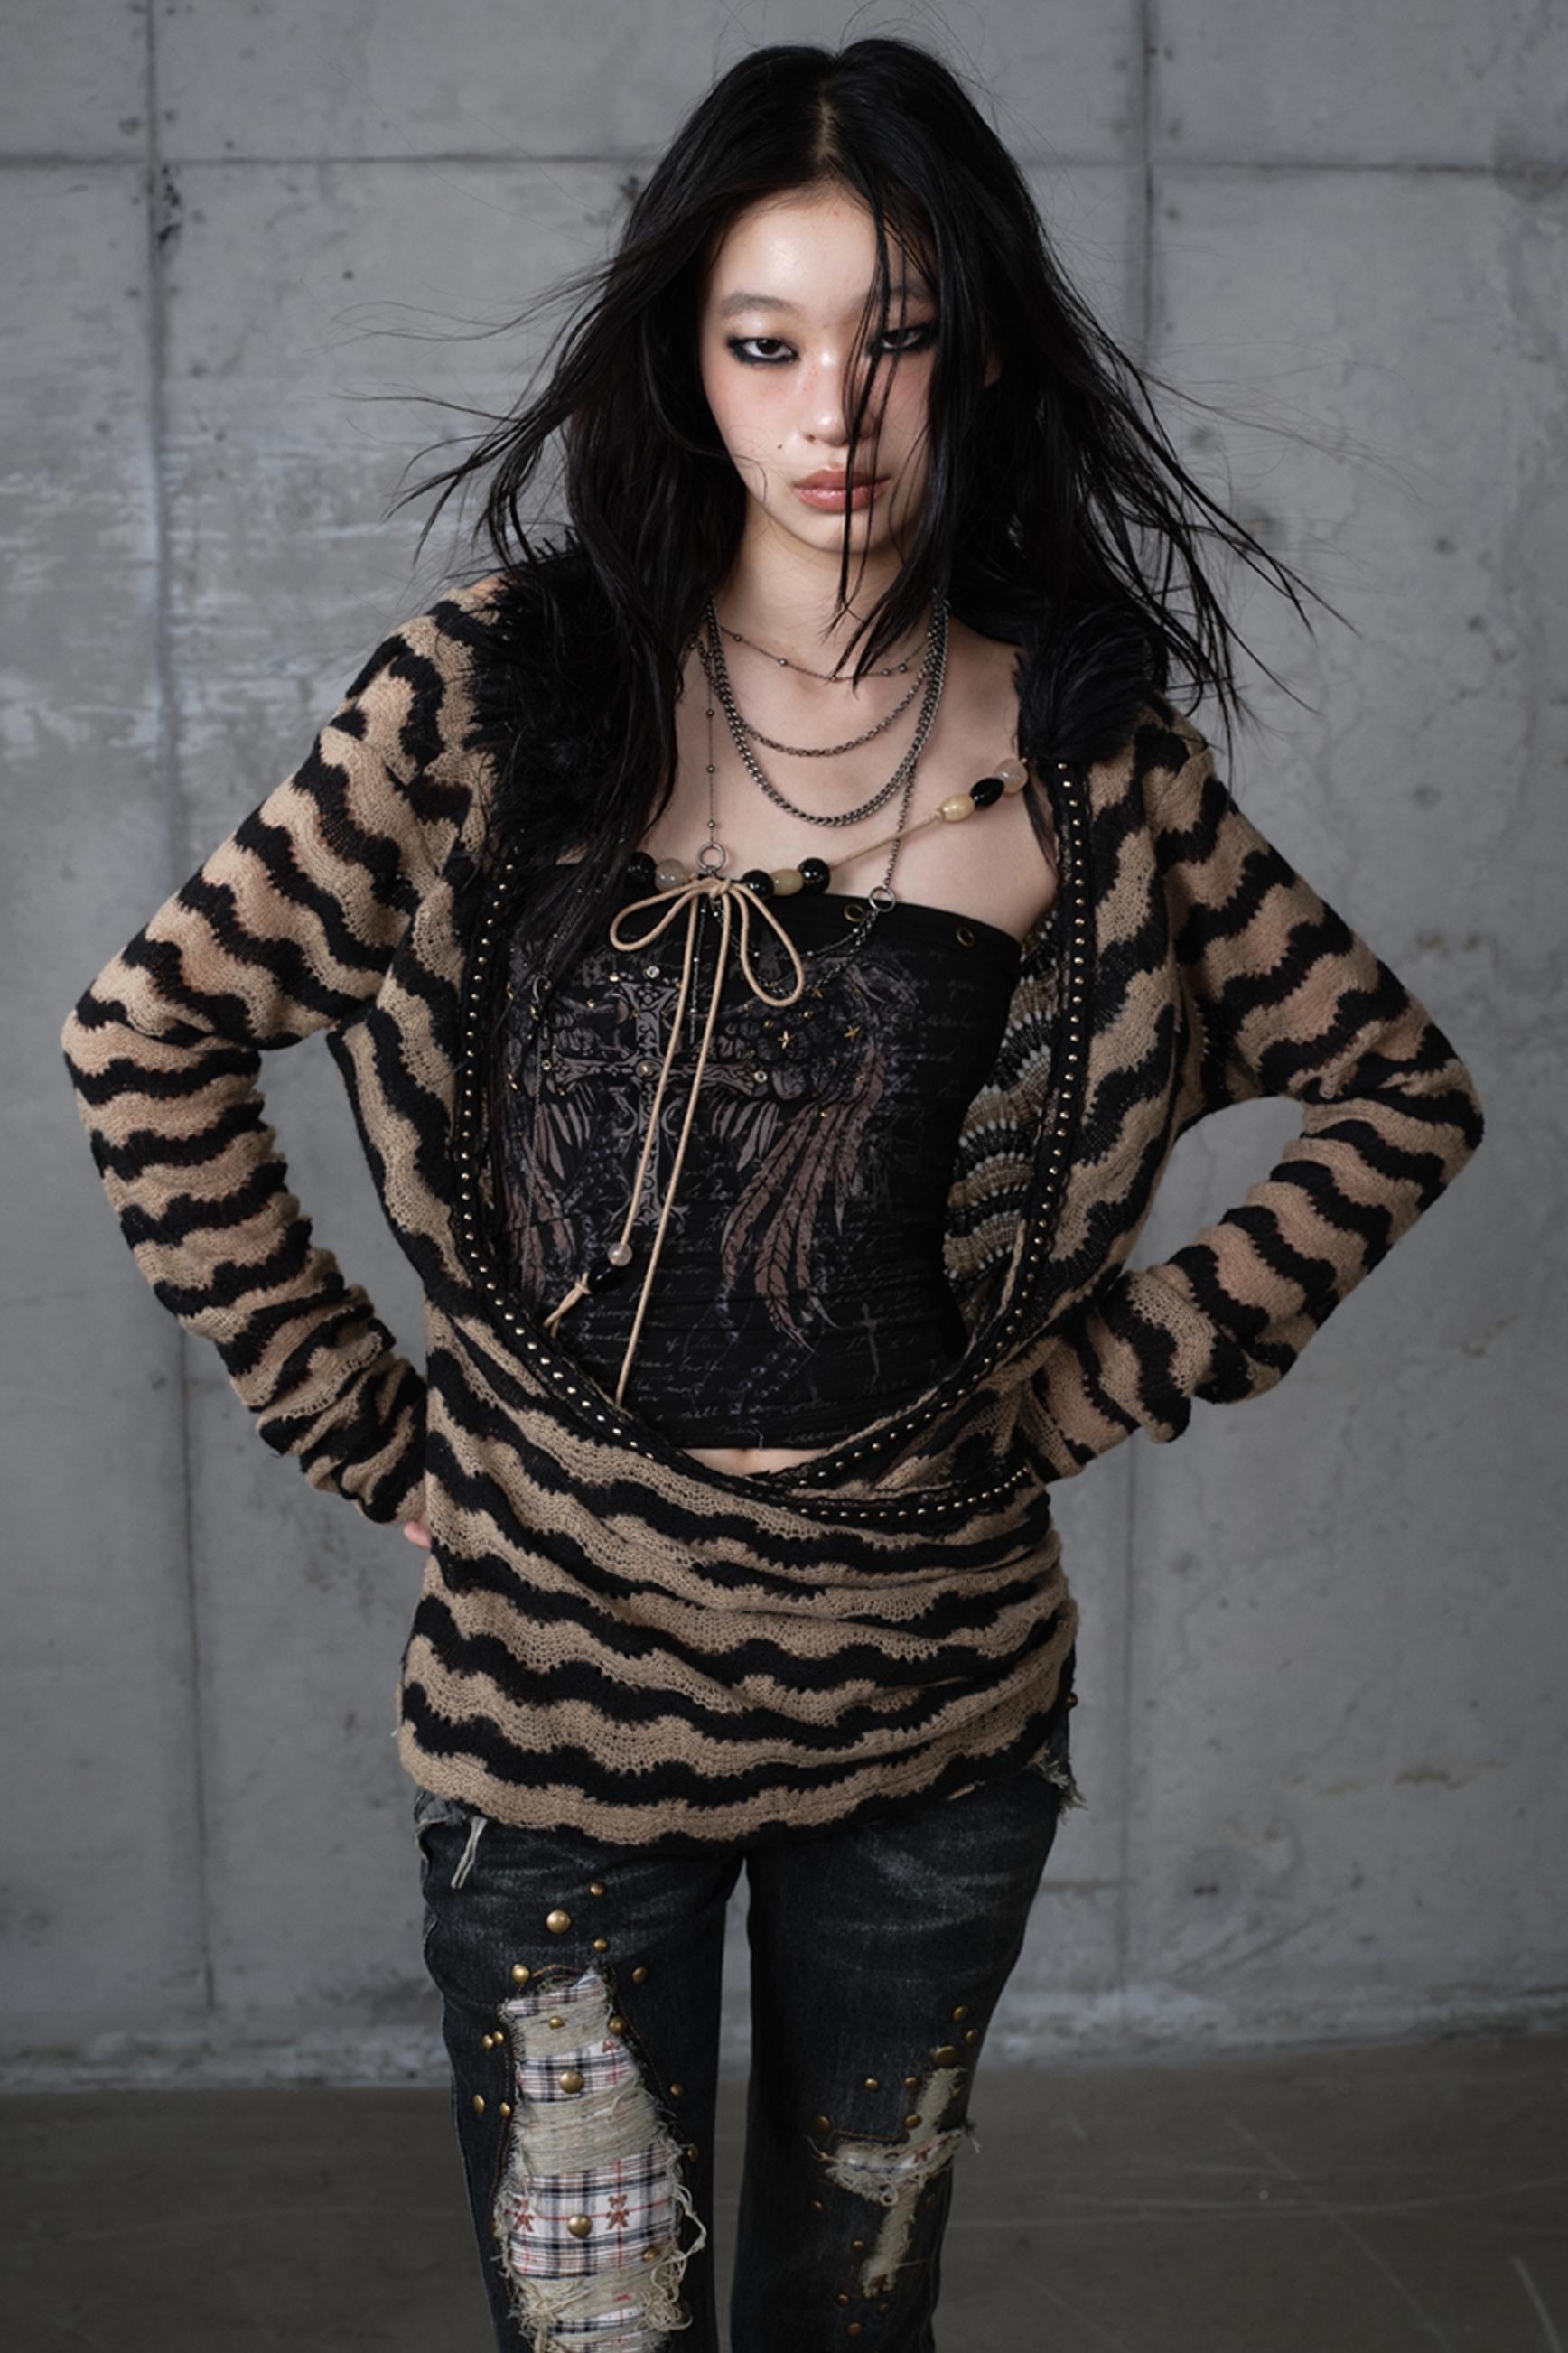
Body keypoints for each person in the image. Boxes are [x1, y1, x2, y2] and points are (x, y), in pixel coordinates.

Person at [60, 34, 1484, 2353]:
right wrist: (368, 1428)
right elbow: (149, 1036)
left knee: (849, 2322)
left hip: (933, 1709)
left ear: (977, 355)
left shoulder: (1085, 766)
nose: (834, 412)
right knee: (596, 2327)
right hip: (552, 1703)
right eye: (764, 342)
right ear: (684, 361)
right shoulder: (492, 699)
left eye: (893, 337)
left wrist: (1083, 1385)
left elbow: (1393, 1095)